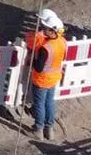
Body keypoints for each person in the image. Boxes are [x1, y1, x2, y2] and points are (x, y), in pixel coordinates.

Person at [23, 9, 67, 140]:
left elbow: (39, 67)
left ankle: (38, 129)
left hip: (42, 80)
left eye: (46, 29)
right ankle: (49, 129)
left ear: (52, 31)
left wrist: (33, 59)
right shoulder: (62, 42)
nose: (44, 30)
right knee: (49, 103)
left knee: (40, 104)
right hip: (54, 78)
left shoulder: (46, 47)